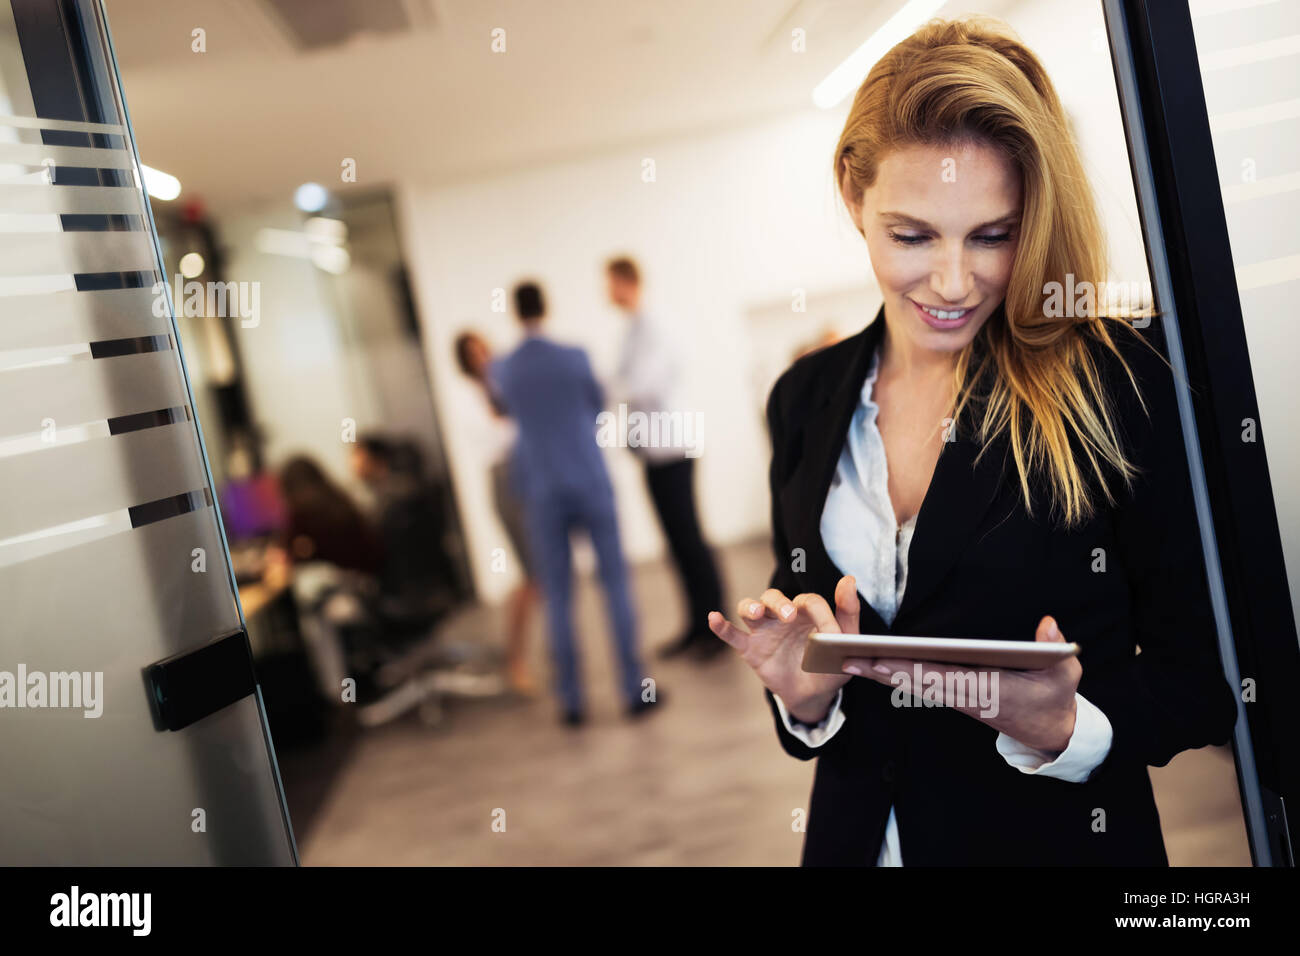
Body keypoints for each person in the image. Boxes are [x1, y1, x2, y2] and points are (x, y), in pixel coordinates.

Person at [707, 17, 1237, 866]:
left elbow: (1202, 688)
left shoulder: (1119, 383)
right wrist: (806, 699)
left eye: (993, 234)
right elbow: (809, 633)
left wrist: (1072, 727)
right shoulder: (803, 400)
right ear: (853, 196)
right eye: (912, 235)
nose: (953, 283)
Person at [490, 281, 656, 726]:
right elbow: (597, 405)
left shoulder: (504, 368)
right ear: (546, 307)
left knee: (558, 596)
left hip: (540, 488)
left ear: (514, 312)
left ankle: (572, 701)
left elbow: (505, 413)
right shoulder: (575, 356)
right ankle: (633, 690)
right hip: (587, 477)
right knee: (615, 583)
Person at [606, 256, 726, 660]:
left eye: (610, 284)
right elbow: (626, 383)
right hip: (652, 452)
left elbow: (645, 385)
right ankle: (695, 625)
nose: (606, 293)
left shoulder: (656, 324)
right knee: (675, 543)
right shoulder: (634, 329)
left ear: (626, 281)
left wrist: (615, 389)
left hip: (673, 447)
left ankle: (715, 630)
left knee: (690, 539)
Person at [452, 331, 541, 696]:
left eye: (483, 349)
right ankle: (514, 660)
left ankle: (518, 657)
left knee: (539, 575)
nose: (482, 358)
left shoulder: (504, 387)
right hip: (506, 481)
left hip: (527, 475)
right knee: (533, 574)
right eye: (473, 354)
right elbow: (502, 438)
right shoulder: (467, 400)